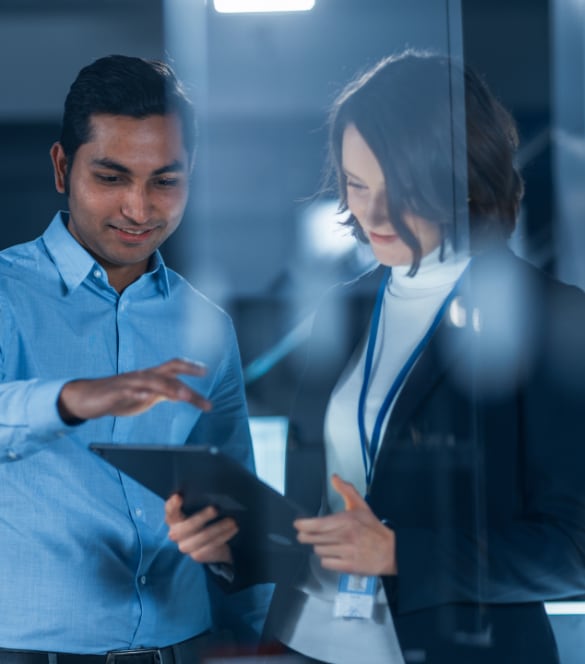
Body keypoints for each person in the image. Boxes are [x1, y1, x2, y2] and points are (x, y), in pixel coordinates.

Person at [168, 51, 585, 663]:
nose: (374, 214)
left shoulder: (544, 314)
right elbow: (321, 516)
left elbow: (575, 550)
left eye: (403, 190)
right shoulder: (344, 310)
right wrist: (236, 543)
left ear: (464, 176)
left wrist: (396, 553)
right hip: (306, 643)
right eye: (358, 185)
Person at [0, 54, 270, 662]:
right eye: (112, 177)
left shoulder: (207, 327)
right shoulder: (4, 293)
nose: (140, 209)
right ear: (62, 167)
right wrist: (72, 399)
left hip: (185, 647)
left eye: (165, 181)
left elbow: (236, 510)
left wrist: (253, 644)